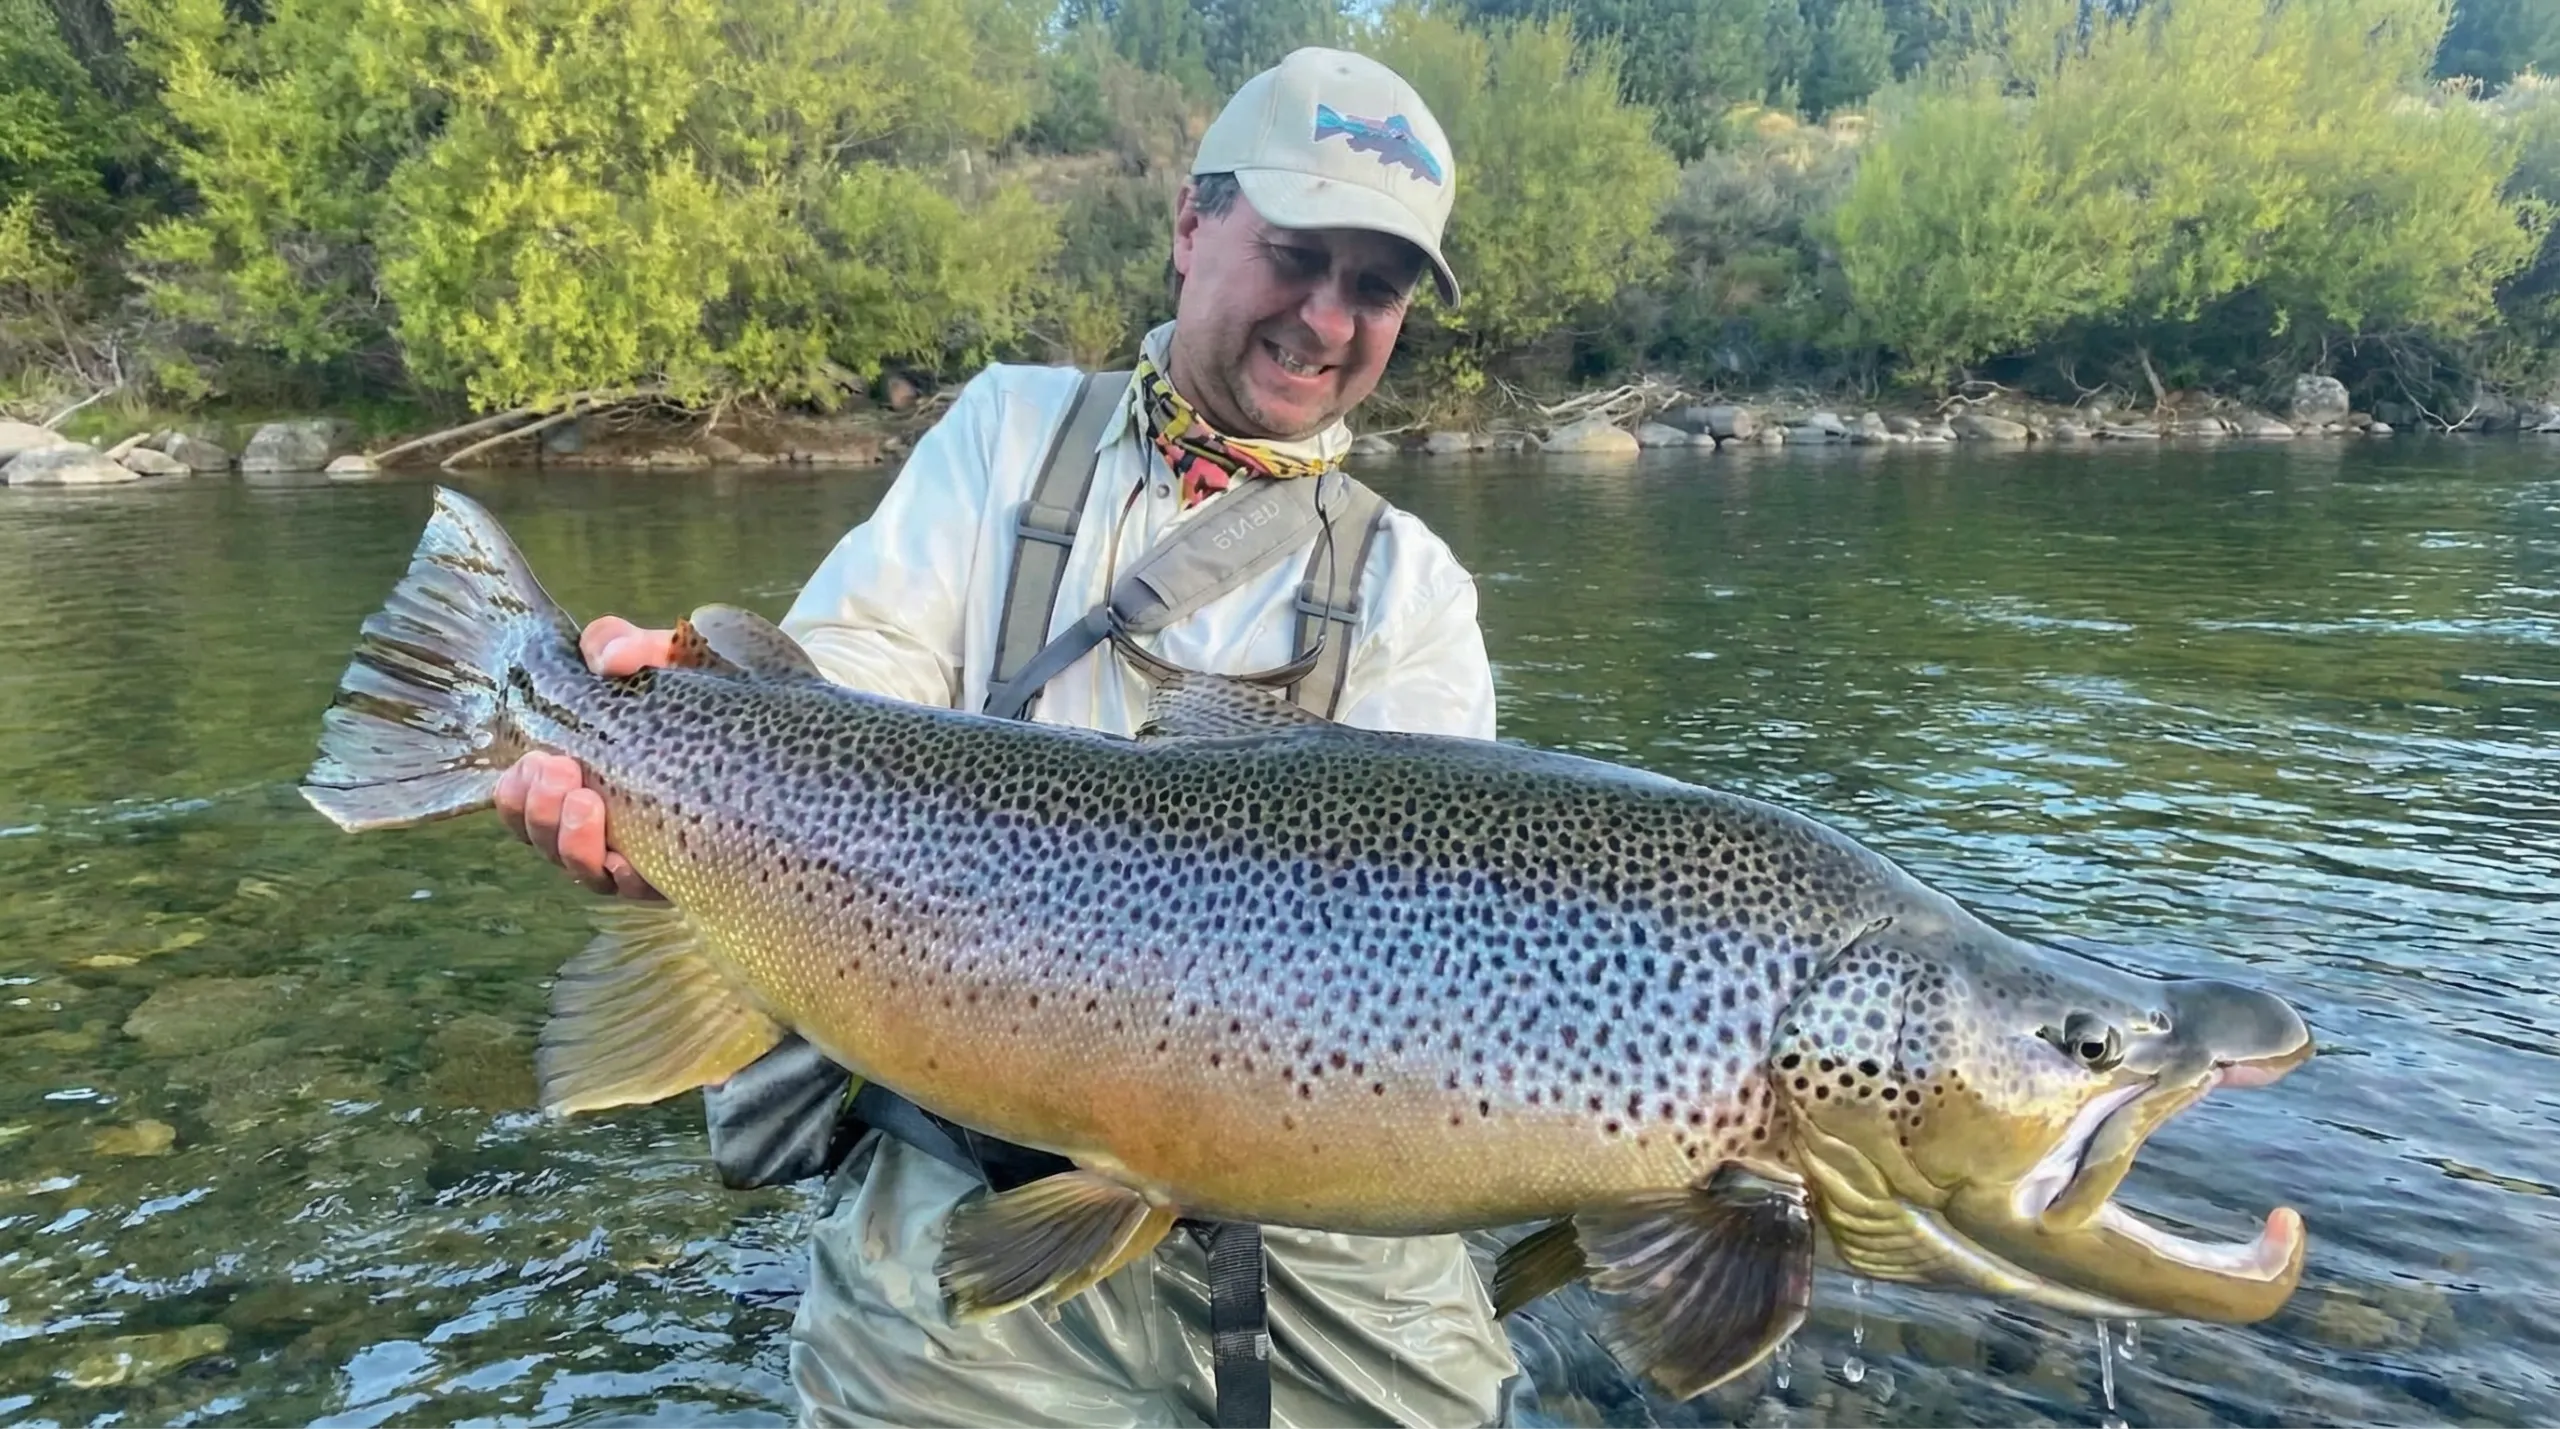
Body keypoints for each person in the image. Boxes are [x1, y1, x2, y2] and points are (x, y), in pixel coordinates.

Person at [492, 45, 1522, 1429]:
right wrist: (672, 766)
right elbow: (835, 712)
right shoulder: (1005, 437)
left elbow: (1421, 964)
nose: (1327, 318)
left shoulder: (1415, 591)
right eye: (1294, 253)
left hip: (1311, 1230)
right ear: (1189, 224)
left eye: (1378, 284)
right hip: (974, 1161)